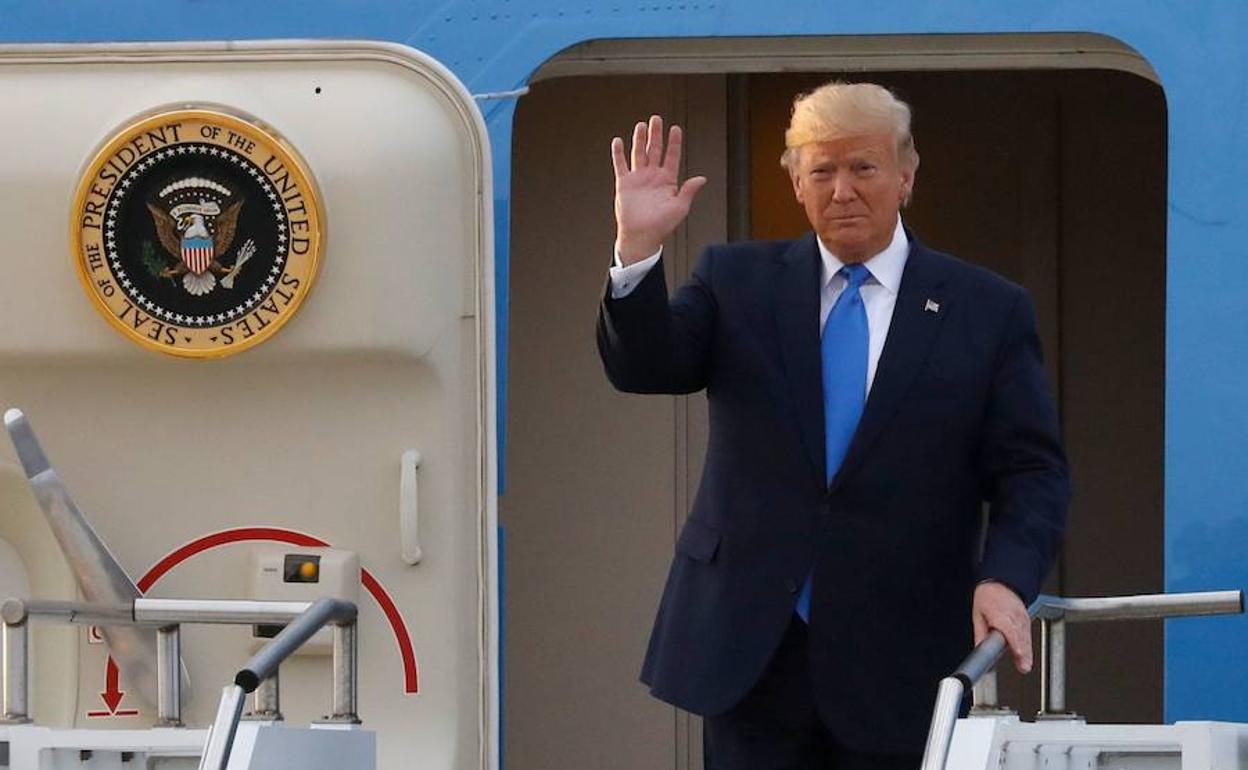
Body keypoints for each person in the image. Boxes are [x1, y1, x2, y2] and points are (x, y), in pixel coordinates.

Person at [596, 82, 1070, 769]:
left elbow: (1033, 471)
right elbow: (645, 366)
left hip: (901, 656)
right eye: (821, 170)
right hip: (751, 653)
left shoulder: (986, 309)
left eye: (863, 168)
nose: (842, 189)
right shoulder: (737, 281)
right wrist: (636, 250)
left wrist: (1006, 579)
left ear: (906, 176)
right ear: (795, 182)